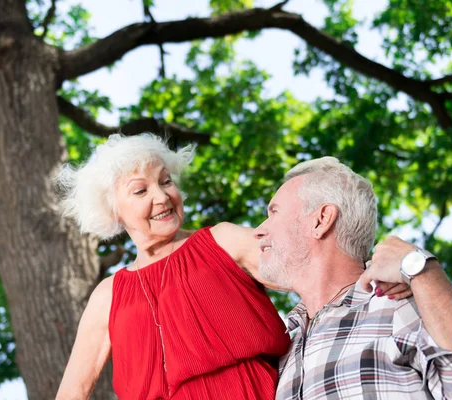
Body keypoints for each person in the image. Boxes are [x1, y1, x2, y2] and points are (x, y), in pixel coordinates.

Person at [54, 133, 294, 400]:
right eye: (141, 190)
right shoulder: (107, 297)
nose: (162, 196)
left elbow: (314, 272)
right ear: (113, 210)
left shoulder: (224, 241)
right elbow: (72, 392)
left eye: (165, 181)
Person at [253, 156, 452, 399]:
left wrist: (420, 269)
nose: (259, 231)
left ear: (321, 220)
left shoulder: (403, 307)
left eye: (274, 212)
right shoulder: (284, 349)